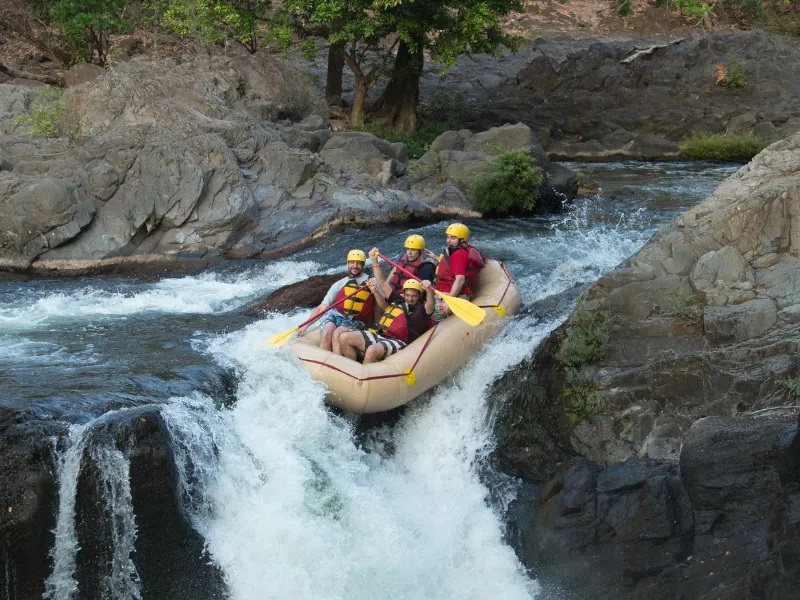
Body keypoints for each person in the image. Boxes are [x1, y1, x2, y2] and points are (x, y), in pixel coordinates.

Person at [334, 279, 435, 364]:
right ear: (404, 294)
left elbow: (430, 305)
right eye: (407, 295)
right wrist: (374, 290)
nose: (410, 299)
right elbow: (383, 297)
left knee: (371, 351)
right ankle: (351, 368)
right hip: (380, 334)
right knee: (344, 338)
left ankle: (362, 376)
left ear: (419, 296)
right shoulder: (399, 302)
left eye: (414, 296)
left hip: (398, 341)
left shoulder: (421, 311)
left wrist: (429, 291)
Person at [298, 249, 376, 351]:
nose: (355, 266)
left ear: (363, 264)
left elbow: (383, 300)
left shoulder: (372, 282)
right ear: (348, 263)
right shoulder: (339, 284)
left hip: (356, 321)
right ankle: (323, 358)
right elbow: (322, 307)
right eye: (352, 262)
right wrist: (306, 325)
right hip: (337, 316)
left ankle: (336, 358)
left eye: (358, 263)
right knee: (326, 332)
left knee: (337, 335)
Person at [432, 223, 486, 322]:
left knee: (431, 314)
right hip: (446, 291)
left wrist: (450, 300)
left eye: (453, 238)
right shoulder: (464, 249)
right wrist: (435, 257)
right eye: (448, 237)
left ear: (462, 240)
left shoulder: (459, 254)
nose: (448, 241)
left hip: (455, 295)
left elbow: (460, 280)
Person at [368, 235, 437, 301]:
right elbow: (395, 269)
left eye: (413, 250)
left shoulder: (426, 267)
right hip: (394, 292)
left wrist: (399, 296)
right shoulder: (403, 258)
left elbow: (421, 292)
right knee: (374, 286)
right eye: (408, 249)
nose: (409, 252)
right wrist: (387, 286)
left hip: (409, 299)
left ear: (421, 251)